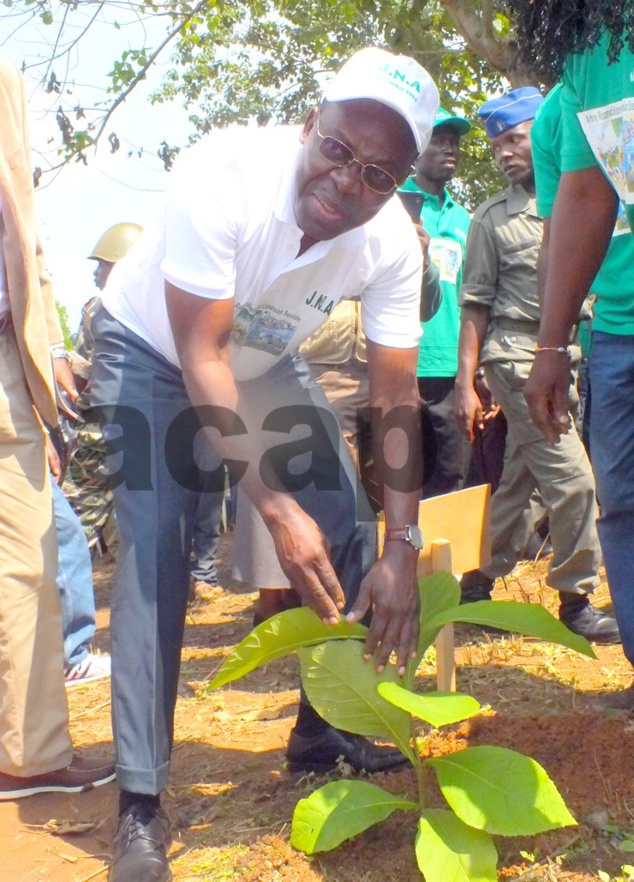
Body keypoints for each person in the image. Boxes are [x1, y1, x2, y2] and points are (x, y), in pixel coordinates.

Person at [91, 47, 439, 881]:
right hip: (155, 349)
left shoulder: (390, 245)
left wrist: (404, 546)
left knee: (349, 517)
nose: (348, 183)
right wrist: (272, 509)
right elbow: (199, 356)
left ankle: (325, 727)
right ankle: (140, 803)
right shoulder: (224, 175)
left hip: (257, 352)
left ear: (399, 186)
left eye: (379, 175)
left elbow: (393, 400)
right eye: (338, 151)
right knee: (158, 545)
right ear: (309, 125)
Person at [454, 87, 620, 644]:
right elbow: (474, 304)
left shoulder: (585, 197)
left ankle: (474, 588)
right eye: (498, 144)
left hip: (566, 355)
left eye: (515, 138)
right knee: (574, 483)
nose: (505, 152)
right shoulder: (489, 220)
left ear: (545, 137)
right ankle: (576, 599)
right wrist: (465, 381)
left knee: (522, 485)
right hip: (517, 357)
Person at [511, 3, 634, 704]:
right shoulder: (592, 50)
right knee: (621, 505)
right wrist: (551, 344)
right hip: (618, 330)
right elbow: (583, 198)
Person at [0, 58, 114, 800]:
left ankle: (30, 752)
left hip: (9, 361)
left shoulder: (3, 76)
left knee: (31, 561)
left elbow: (23, 234)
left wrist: (41, 361)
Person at [399, 108, 472, 497]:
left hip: (449, 371)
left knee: (451, 479)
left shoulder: (467, 220)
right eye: (438, 140)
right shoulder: (391, 206)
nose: (449, 150)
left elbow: (474, 299)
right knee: (399, 477)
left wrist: (471, 376)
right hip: (398, 362)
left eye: (453, 142)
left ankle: (447, 561)